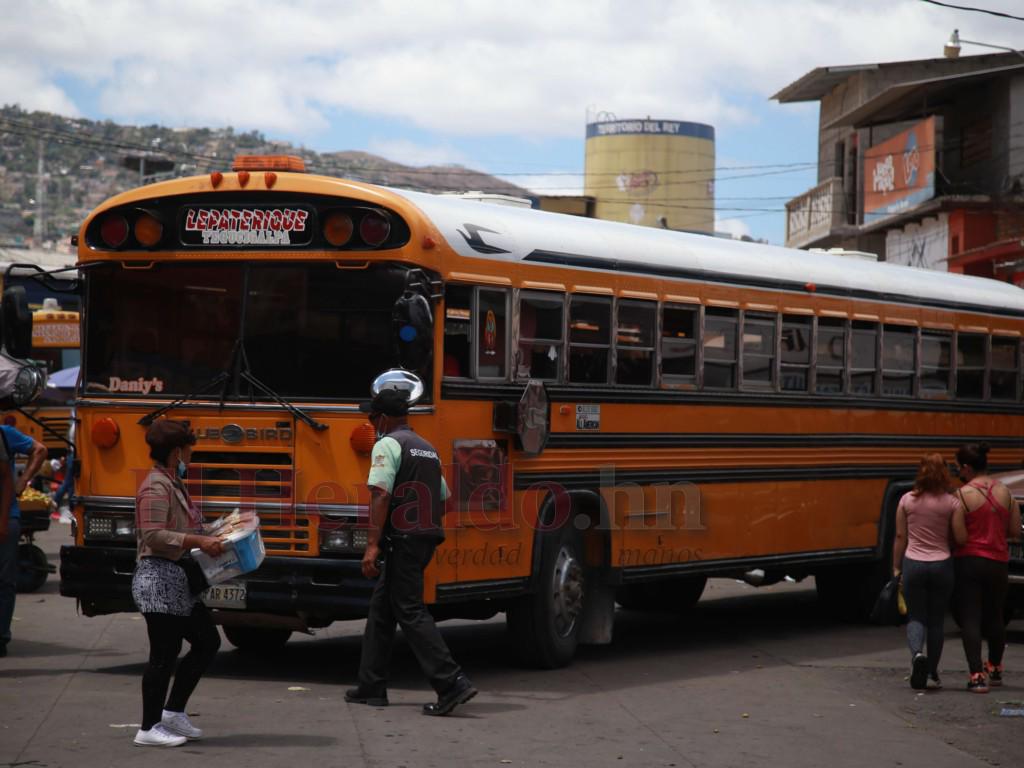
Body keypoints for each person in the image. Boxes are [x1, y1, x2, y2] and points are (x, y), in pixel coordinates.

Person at [345, 388, 477, 716]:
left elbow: (380, 495)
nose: (371, 423)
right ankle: (371, 686)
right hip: (423, 537)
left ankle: (451, 682)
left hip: (402, 539)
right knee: (381, 611)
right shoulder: (427, 449)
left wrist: (372, 545)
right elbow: (445, 500)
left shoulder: (388, 444)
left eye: (372, 417)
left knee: (410, 610)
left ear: (384, 419)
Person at [131, 420, 225, 746]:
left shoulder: (173, 482)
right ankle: (148, 728)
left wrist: (220, 530)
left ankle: (172, 713)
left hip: (178, 580)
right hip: (158, 580)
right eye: (188, 451)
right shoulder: (155, 487)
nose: (190, 457)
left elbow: (188, 525)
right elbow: (153, 535)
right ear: (175, 452)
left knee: (206, 641)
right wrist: (197, 538)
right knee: (164, 654)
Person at [951, 442, 1022, 694]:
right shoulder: (1006, 492)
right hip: (998, 562)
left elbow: (958, 537)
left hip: (969, 561)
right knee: (995, 616)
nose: (958, 471)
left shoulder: (962, 496)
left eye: (958, 467)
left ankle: (976, 675)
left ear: (967, 468)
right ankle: (995, 668)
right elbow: (1015, 531)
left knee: (970, 618)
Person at [891, 454, 957, 690]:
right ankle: (932, 673)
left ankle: (917, 655)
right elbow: (956, 536)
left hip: (914, 564)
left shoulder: (907, 500)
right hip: (942, 564)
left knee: (916, 616)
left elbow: (900, 536)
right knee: (937, 621)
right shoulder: (951, 502)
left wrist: (896, 566)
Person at [0, 425, 47, 657]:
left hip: (7, 518)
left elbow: (39, 450)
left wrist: (22, 483)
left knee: (5, 580)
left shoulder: (4, 433)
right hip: (8, 518)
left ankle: (1, 637)